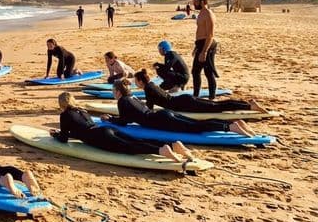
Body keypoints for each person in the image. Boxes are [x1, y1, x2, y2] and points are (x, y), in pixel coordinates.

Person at [54, 92, 193, 162]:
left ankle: (161, 150)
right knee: (134, 140)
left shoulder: (65, 115)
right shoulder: (82, 110)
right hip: (105, 129)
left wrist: (55, 134)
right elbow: (78, 131)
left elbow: (64, 139)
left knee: (130, 147)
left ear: (62, 104)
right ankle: (173, 145)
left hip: (99, 137)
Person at [104, 79, 255, 137]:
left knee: (195, 128)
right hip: (164, 114)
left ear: (118, 92)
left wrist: (110, 119)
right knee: (196, 124)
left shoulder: (122, 101)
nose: (113, 94)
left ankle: (231, 127)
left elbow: (124, 122)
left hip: (161, 121)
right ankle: (231, 125)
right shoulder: (133, 97)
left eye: (113, 91)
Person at [134, 69, 268, 114]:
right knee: (216, 105)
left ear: (140, 81)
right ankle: (247, 104)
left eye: (136, 81)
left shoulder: (148, 89)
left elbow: (149, 109)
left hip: (185, 104)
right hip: (184, 100)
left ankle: (250, 106)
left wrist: (136, 104)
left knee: (217, 107)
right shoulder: (151, 85)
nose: (135, 83)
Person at [192, 0, 219, 100]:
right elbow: (200, 32)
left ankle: (212, 97)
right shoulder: (201, 13)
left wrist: (204, 51)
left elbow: (210, 35)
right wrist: (196, 48)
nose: (194, 4)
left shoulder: (208, 14)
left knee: (208, 72)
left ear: (202, 2)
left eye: (195, 2)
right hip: (201, 45)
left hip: (207, 46)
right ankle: (195, 96)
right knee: (195, 71)